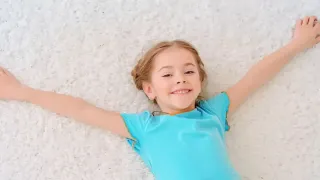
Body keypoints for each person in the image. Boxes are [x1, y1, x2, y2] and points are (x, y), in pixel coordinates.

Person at [0, 16, 319, 180]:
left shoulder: (212, 111)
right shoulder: (143, 126)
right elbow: (81, 109)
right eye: (167, 74)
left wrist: (297, 45)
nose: (180, 78)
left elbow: (254, 78)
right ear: (149, 89)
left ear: (200, 80)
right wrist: (21, 92)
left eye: (188, 71)